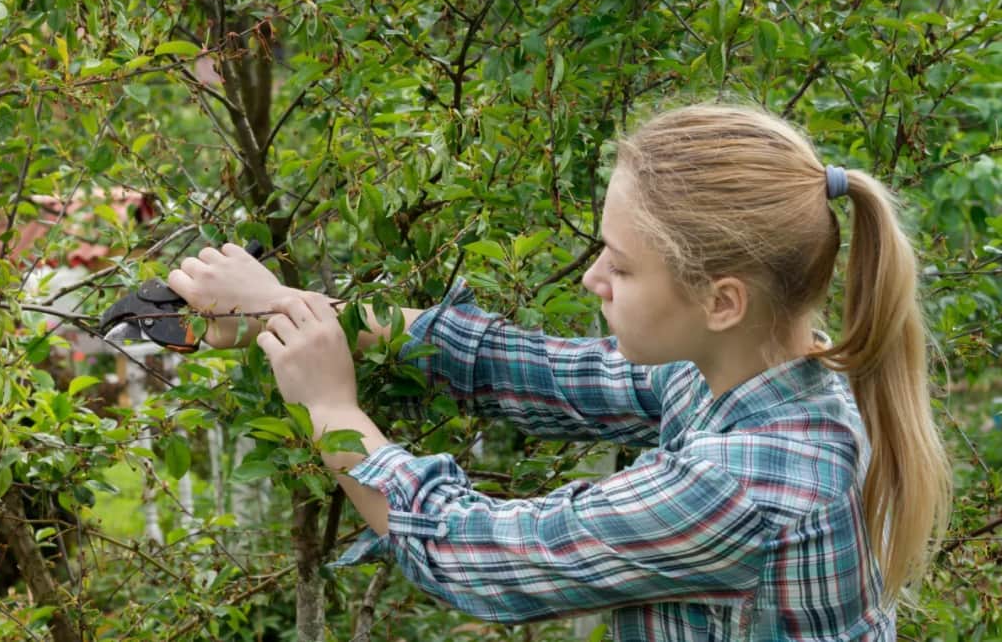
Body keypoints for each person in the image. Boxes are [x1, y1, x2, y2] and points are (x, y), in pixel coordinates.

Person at [168, 104, 951, 640]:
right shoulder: (745, 375)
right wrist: (287, 308)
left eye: (620, 265)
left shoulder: (746, 485)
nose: (592, 279)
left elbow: (475, 554)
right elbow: (532, 370)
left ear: (722, 301)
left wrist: (331, 407)